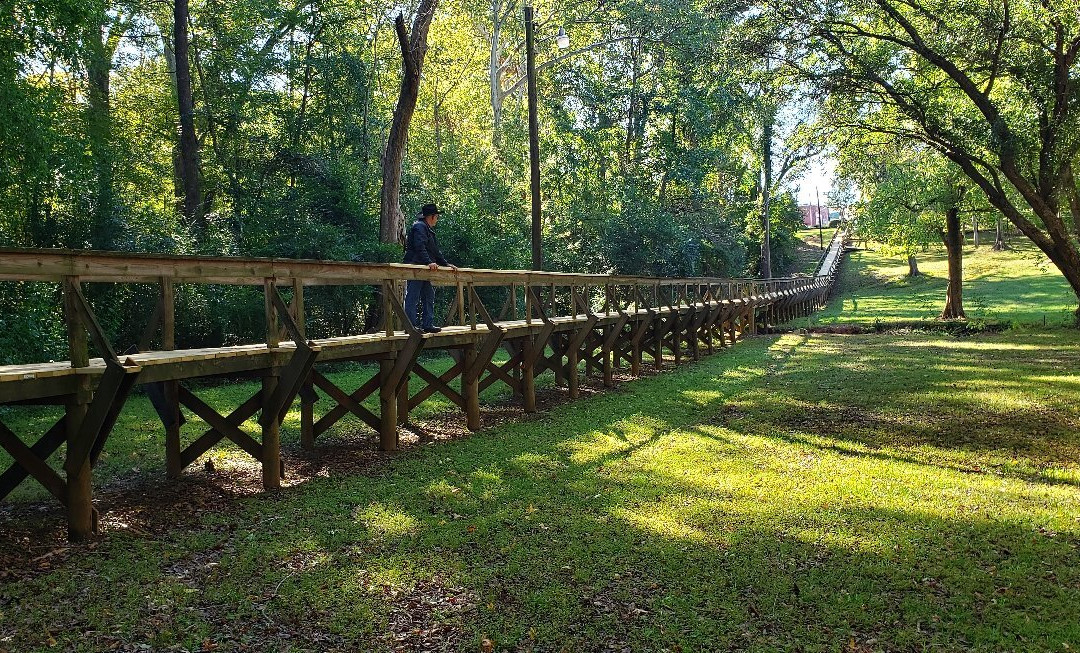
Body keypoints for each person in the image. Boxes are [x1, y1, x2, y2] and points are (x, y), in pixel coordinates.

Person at [403, 203, 457, 333]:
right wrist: (428, 262)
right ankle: (410, 327)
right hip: (416, 267)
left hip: (424, 269)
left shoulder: (427, 229)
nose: (437, 219)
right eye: (437, 217)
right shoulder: (419, 227)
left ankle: (427, 324)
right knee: (413, 297)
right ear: (432, 216)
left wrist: (446, 264)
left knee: (428, 295)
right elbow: (419, 247)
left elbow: (435, 251)